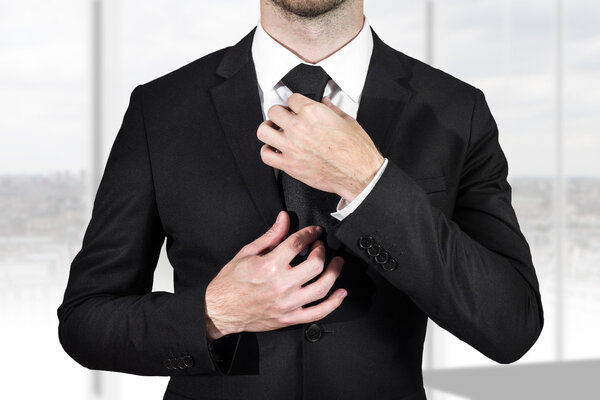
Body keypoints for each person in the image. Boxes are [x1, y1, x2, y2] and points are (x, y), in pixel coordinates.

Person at [57, 0, 544, 399]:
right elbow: (86, 320)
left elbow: (511, 325)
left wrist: (368, 182)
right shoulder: (160, 109)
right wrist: (213, 313)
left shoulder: (458, 110)